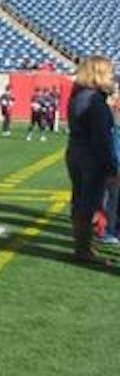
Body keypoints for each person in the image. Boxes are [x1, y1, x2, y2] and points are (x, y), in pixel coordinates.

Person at [65, 55, 117, 266]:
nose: (113, 77)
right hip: (91, 157)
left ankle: (82, 246)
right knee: (90, 203)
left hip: (75, 152)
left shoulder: (79, 96)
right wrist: (111, 166)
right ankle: (84, 249)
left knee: (80, 201)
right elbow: (101, 138)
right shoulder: (95, 101)